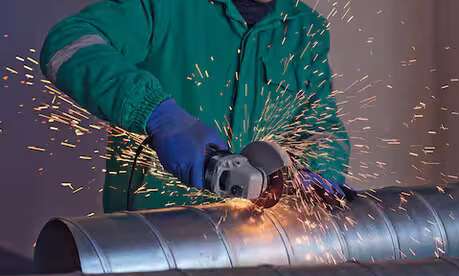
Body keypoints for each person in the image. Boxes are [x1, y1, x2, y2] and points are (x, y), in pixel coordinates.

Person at [40, 0, 350, 212]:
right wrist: (157, 113)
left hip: (253, 246)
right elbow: (67, 44)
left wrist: (317, 173)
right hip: (150, 238)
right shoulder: (166, 6)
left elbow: (321, 127)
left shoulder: (303, 28)